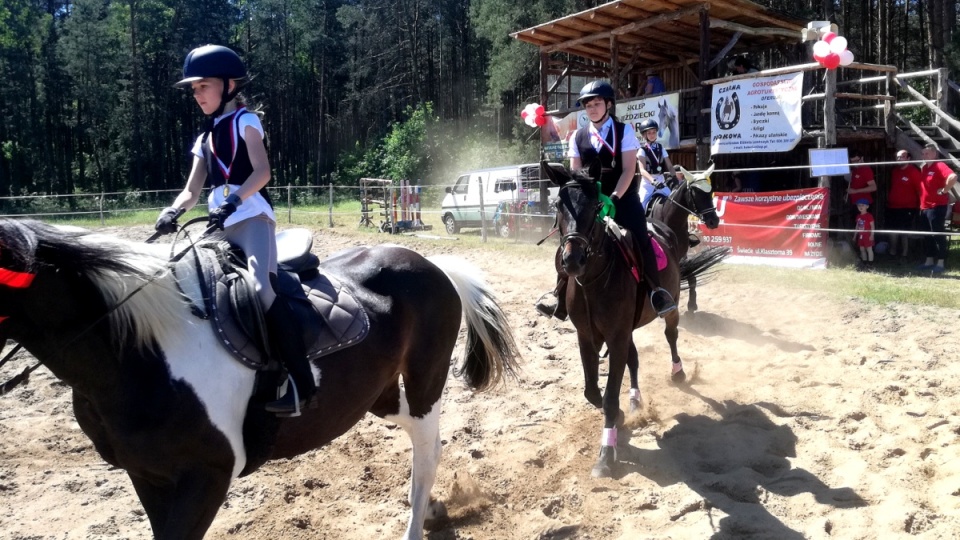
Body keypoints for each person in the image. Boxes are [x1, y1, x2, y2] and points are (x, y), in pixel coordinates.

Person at [154, 44, 316, 415]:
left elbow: (262, 172)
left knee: (261, 290)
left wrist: (236, 199)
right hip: (217, 226)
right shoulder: (203, 139)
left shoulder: (246, 120)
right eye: (193, 90)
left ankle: (302, 385)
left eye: (203, 86)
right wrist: (172, 210)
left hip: (251, 220)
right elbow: (191, 190)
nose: (197, 95)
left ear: (228, 85)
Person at [535, 80, 676, 320]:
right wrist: (590, 200)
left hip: (622, 198)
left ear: (608, 104)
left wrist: (613, 197)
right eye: (588, 105)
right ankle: (558, 294)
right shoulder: (577, 137)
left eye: (597, 103)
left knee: (641, 237)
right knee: (569, 240)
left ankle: (657, 291)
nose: (592, 109)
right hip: (591, 200)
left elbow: (629, 169)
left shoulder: (625, 131)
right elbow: (577, 176)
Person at [917, 143, 958, 273]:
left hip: (937, 207)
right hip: (924, 207)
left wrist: (945, 190)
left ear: (934, 154)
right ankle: (929, 261)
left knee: (938, 234)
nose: (924, 156)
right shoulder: (924, 168)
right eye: (923, 154)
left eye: (927, 153)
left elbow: (953, 177)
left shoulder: (939, 165)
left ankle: (940, 263)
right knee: (927, 235)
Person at [885, 149, 922, 260]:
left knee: (904, 231)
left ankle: (904, 255)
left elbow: (920, 191)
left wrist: (920, 206)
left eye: (902, 157)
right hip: (892, 207)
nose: (899, 159)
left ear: (908, 158)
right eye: (897, 157)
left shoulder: (914, 172)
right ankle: (893, 252)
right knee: (892, 230)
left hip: (908, 208)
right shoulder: (894, 171)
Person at [636, 119, 675, 208]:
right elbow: (642, 170)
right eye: (649, 133)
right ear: (644, 135)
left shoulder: (661, 148)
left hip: (661, 180)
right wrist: (653, 181)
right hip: (648, 183)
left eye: (654, 132)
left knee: (673, 201)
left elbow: (669, 166)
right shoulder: (642, 150)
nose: (652, 135)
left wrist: (674, 177)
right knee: (641, 206)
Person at [853, 198, 875, 270]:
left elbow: (872, 226)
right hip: (860, 235)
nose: (860, 207)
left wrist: (872, 235)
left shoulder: (869, 216)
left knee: (869, 249)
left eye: (862, 205)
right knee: (862, 249)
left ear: (867, 207)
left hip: (867, 235)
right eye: (859, 205)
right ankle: (864, 263)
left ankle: (870, 264)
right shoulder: (858, 216)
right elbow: (857, 226)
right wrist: (855, 235)